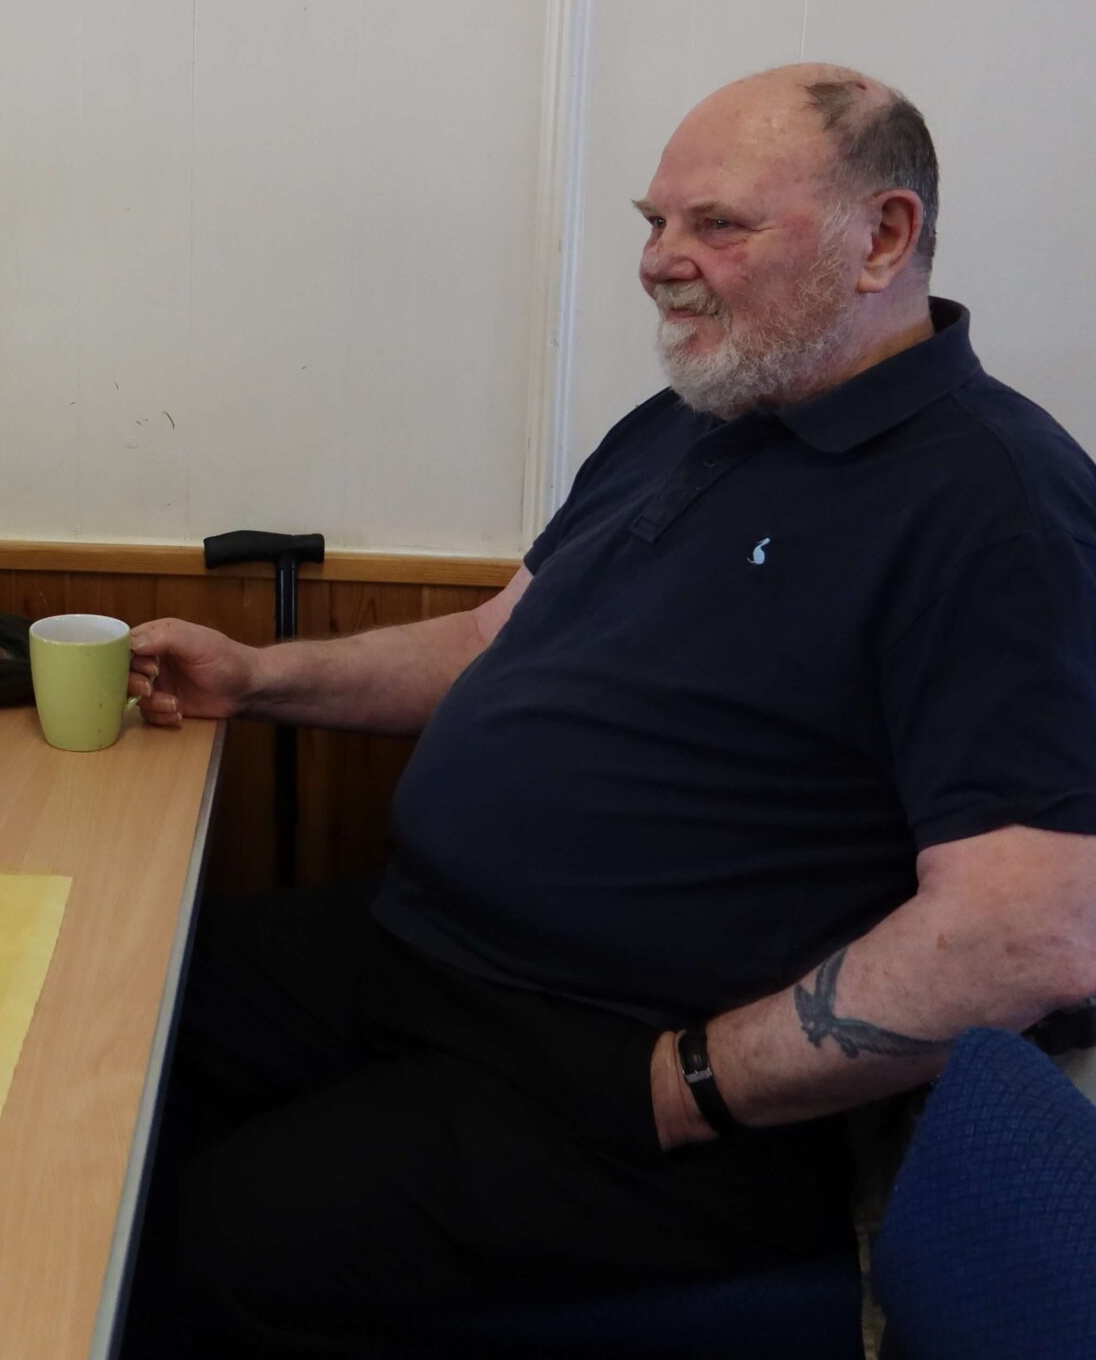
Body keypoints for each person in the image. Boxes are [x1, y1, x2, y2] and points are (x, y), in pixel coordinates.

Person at [123, 65, 1096, 1353]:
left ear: (886, 238)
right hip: (432, 952)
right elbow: (486, 645)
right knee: (117, 1030)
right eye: (652, 222)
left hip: (642, 1075)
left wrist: (696, 1082)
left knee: (217, 1238)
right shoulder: (693, 418)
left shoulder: (995, 502)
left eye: (717, 226)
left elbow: (1030, 933)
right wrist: (258, 677)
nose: (660, 262)